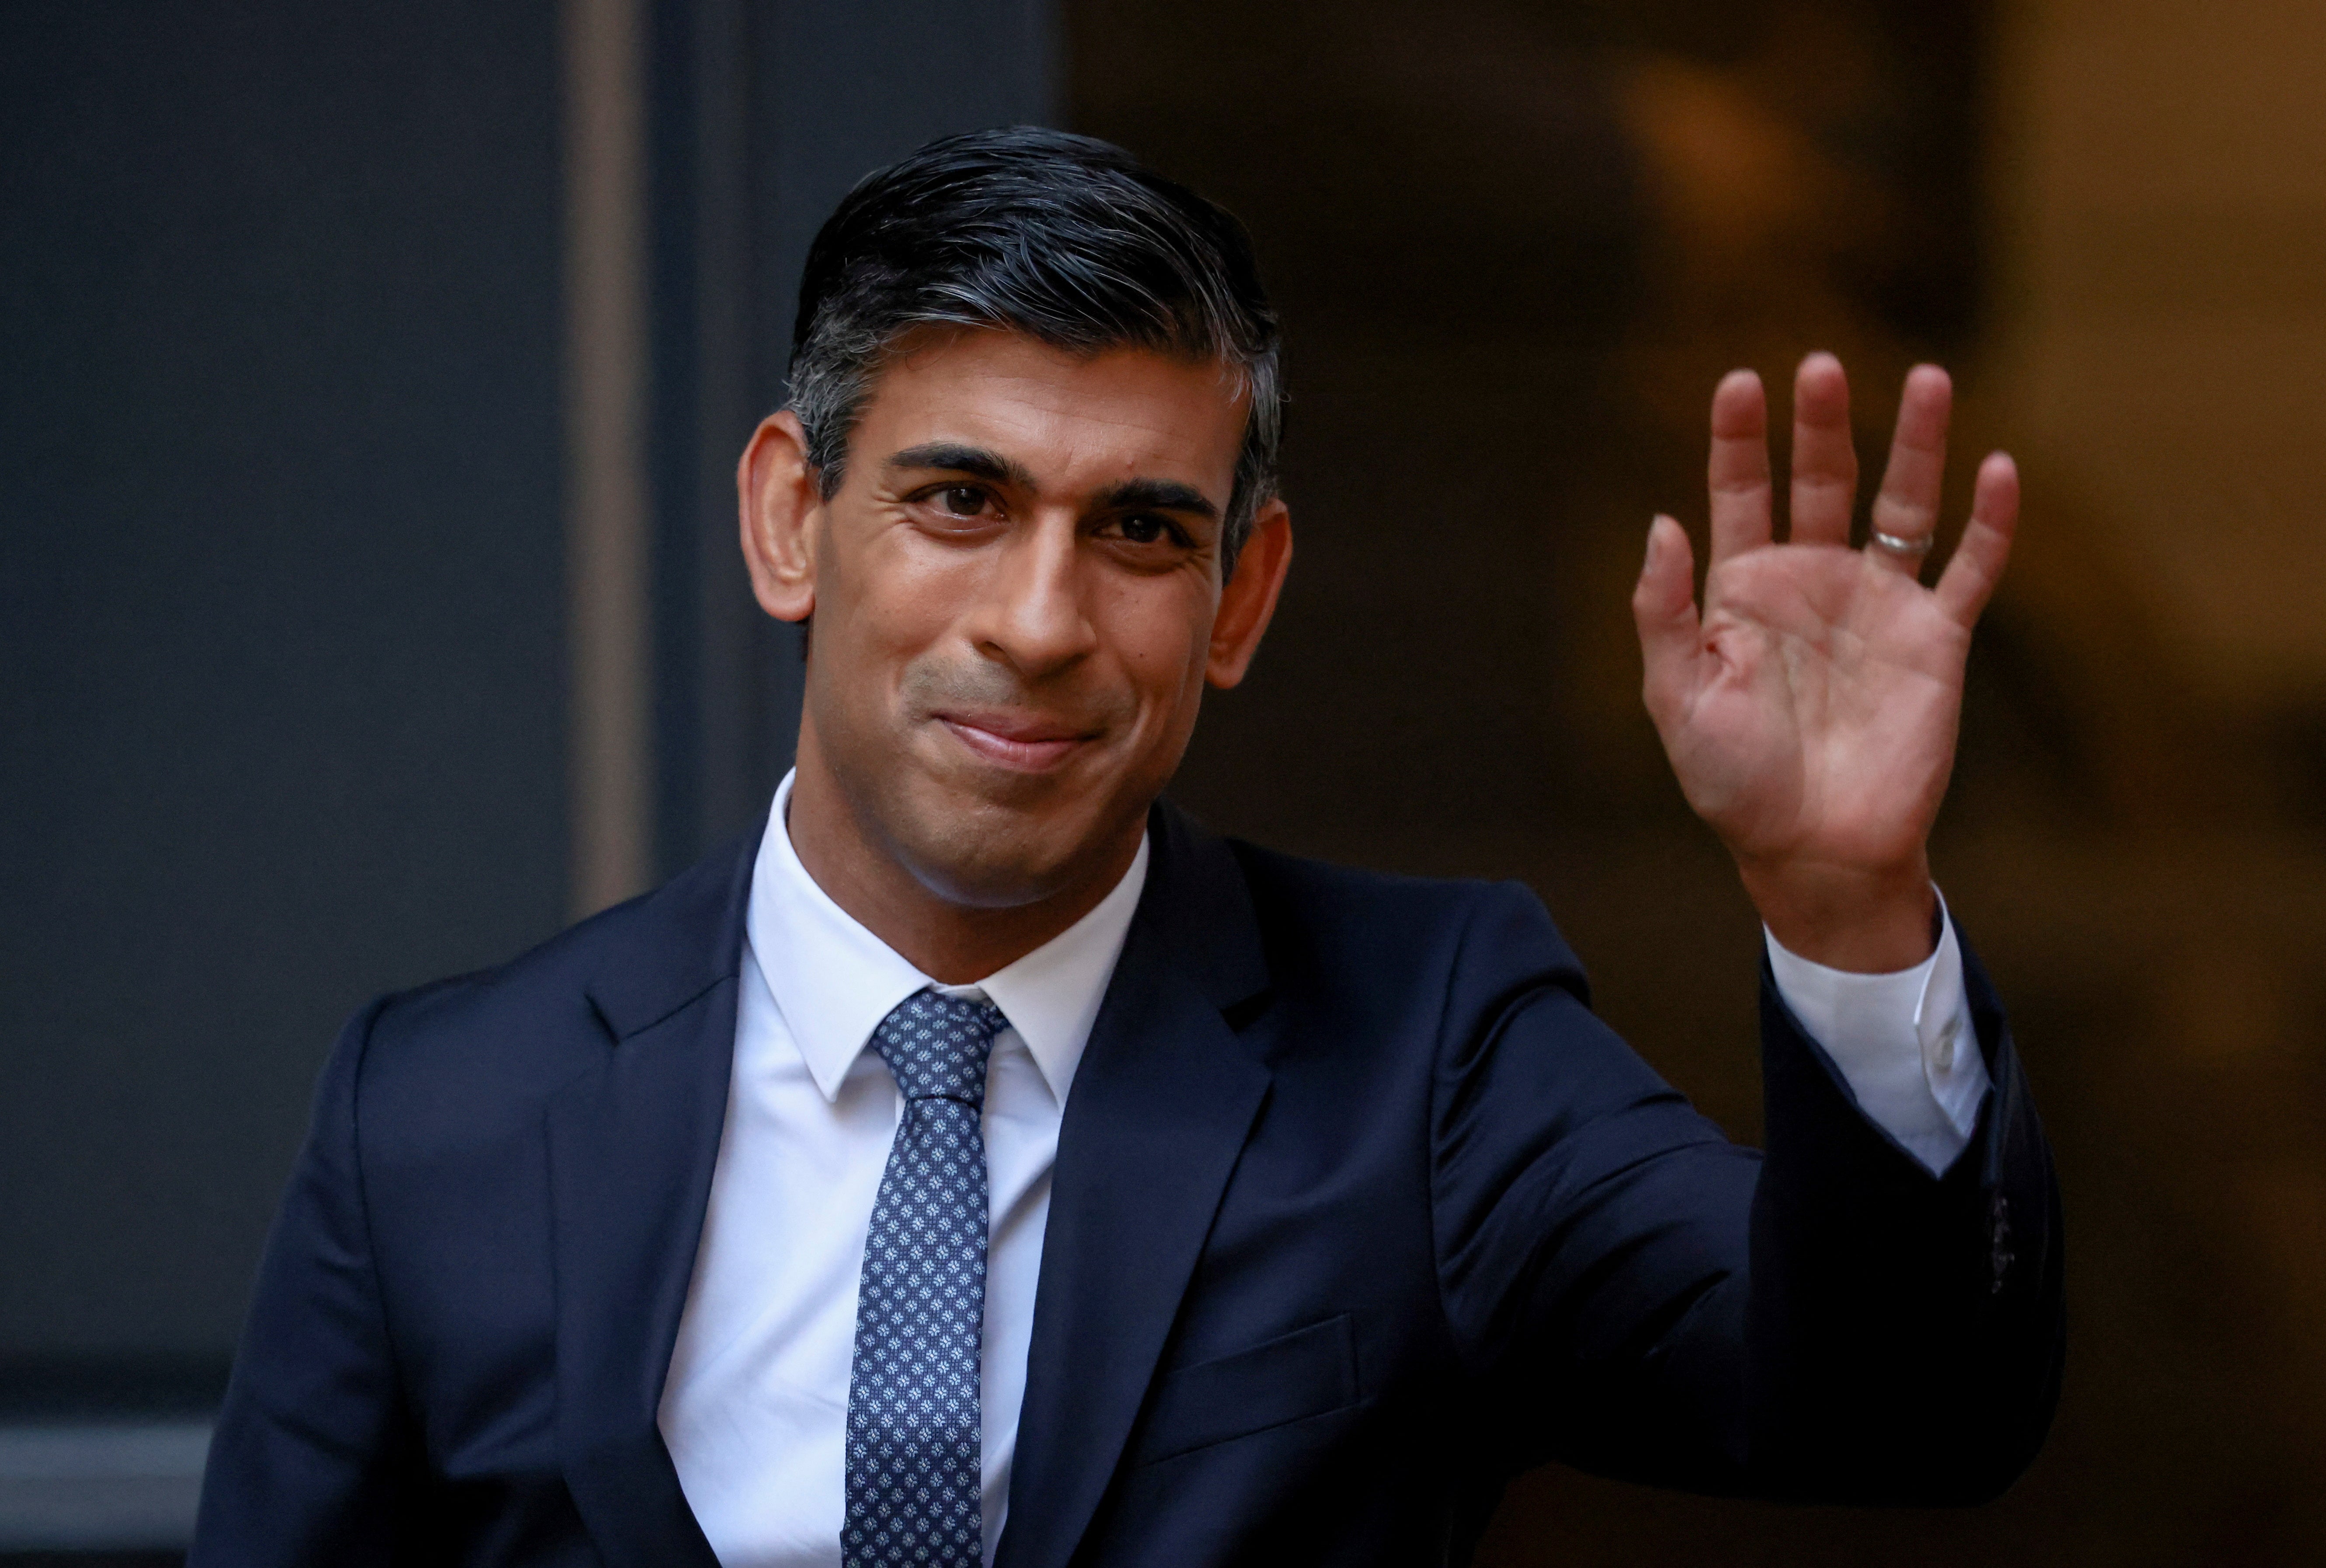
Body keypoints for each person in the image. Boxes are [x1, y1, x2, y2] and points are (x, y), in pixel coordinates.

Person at [191, 127, 2060, 1568]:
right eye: (957, 499)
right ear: (790, 521)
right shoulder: (437, 1113)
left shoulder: (1426, 1058)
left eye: (1143, 533)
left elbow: (1901, 1416)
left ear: (1241, 596)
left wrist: (1841, 902)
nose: (1038, 617)